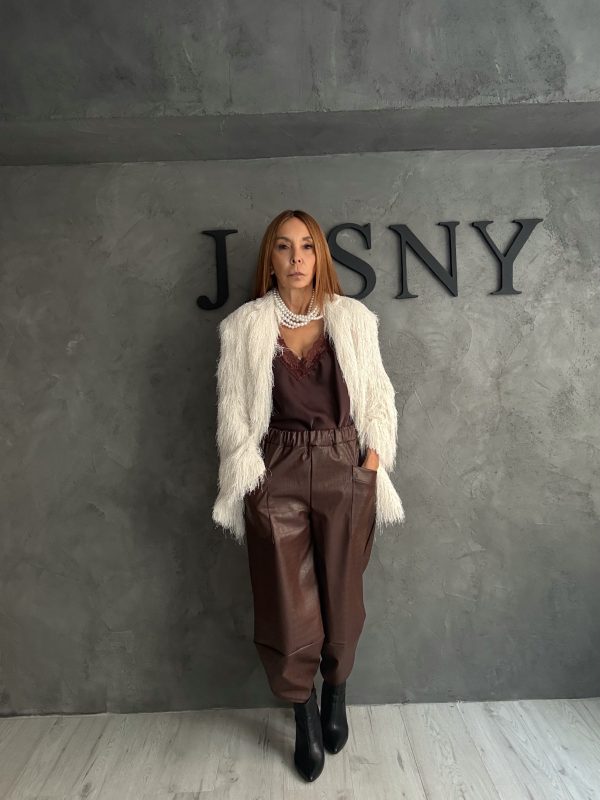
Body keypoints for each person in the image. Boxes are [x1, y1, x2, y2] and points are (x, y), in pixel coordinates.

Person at [212, 209, 405, 782]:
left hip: (346, 463)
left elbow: (379, 398)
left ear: (319, 255)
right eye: (283, 247)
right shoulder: (244, 327)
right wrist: (250, 476)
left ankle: (336, 689)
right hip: (277, 469)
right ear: (269, 259)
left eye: (306, 246)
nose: (296, 258)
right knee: (286, 603)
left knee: (342, 597)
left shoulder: (354, 319)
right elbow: (232, 412)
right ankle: (303, 712)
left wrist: (372, 463)